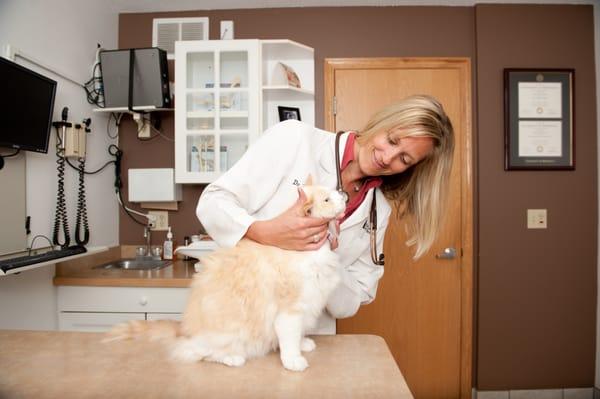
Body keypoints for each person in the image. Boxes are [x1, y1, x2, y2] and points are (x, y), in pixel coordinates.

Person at [196, 94, 454, 327]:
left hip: (308, 336)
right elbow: (213, 201)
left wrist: (328, 261)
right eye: (391, 140)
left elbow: (355, 300)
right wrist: (263, 232)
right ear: (382, 122)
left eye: (404, 159)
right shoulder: (294, 138)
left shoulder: (378, 212)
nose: (387, 158)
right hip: (242, 318)